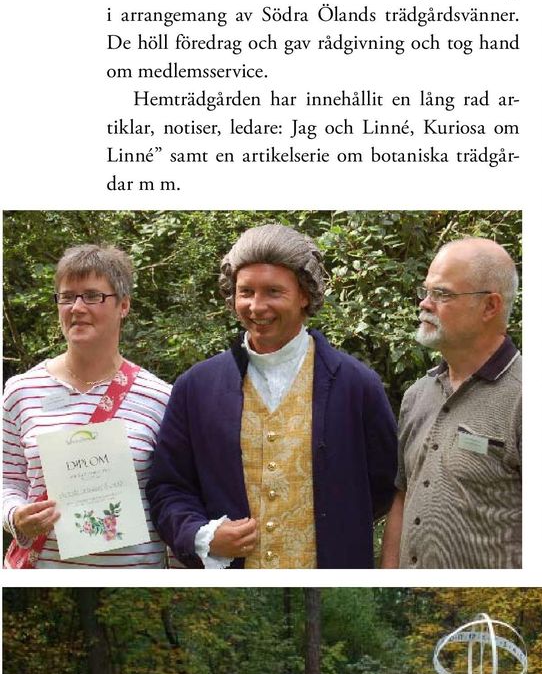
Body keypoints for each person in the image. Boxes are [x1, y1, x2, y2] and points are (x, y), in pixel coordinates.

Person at [147, 224, 397, 569]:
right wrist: (201, 534)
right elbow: (168, 487)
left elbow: (384, 486)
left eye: (273, 292)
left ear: (304, 294)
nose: (256, 306)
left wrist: (336, 524)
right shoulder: (195, 387)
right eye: (245, 291)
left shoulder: (357, 386)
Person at [2, 244, 171, 568]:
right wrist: (15, 516)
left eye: (93, 296)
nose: (77, 308)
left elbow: (174, 496)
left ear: (123, 305)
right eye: (67, 297)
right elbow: (7, 480)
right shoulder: (21, 391)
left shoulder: (161, 398)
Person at [380, 237, 521, 570]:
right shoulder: (417, 395)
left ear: (490, 306)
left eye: (442, 294)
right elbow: (402, 495)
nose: (425, 304)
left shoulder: (523, 398)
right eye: (426, 291)